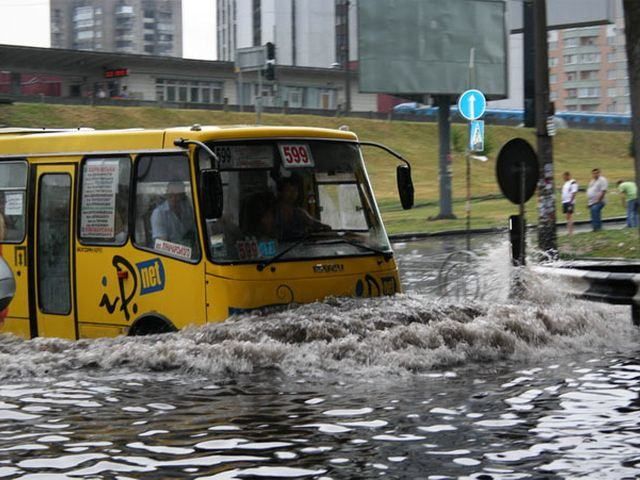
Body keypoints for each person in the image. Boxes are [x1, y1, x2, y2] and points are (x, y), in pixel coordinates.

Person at [275, 176, 330, 240]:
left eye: (295, 190)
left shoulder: (299, 213)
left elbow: (313, 223)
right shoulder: (273, 214)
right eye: (288, 190)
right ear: (280, 193)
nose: (292, 193)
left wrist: (324, 227)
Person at [150, 182, 194, 246]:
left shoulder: (187, 209)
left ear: (183, 195)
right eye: (171, 194)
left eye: (177, 195)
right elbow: (161, 244)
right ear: (167, 194)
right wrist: (185, 251)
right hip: (170, 254)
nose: (174, 198)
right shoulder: (159, 213)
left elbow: (193, 229)